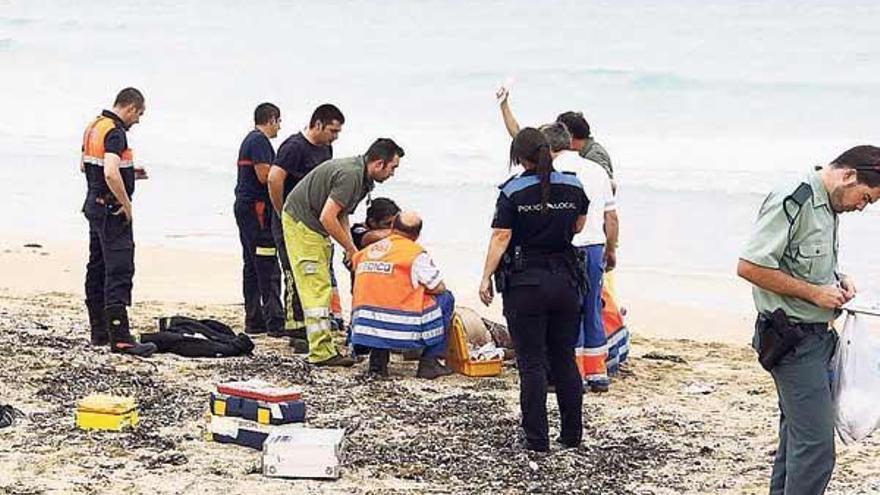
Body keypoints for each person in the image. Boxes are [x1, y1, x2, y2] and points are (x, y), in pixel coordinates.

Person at [737, 145, 880, 495]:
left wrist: (836, 279)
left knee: (796, 443)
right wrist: (815, 294)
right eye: (865, 198)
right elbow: (750, 266)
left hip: (817, 339)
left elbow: (798, 261)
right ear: (848, 176)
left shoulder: (829, 204)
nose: (861, 208)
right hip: (792, 341)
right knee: (816, 451)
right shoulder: (794, 198)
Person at [479, 128, 589, 452]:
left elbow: (501, 237)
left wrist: (485, 277)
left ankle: (537, 439)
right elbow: (578, 226)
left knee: (531, 363)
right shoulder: (573, 184)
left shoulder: (513, 191)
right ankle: (571, 435)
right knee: (564, 358)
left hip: (526, 280)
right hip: (566, 279)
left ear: (518, 156)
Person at [282, 138, 404, 367]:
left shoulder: (362, 178)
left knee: (322, 284)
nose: (392, 174)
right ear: (379, 163)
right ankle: (321, 352)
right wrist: (349, 247)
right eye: (392, 167)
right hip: (303, 224)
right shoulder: (351, 176)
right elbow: (327, 217)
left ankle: (324, 345)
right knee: (316, 288)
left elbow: (342, 214)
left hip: (314, 224)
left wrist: (351, 248)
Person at [540, 122, 620, 392]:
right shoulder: (597, 170)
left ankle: (572, 373)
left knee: (567, 312)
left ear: (549, 148)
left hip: (569, 247)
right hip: (595, 245)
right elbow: (611, 216)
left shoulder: (555, 172)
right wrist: (611, 249)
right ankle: (597, 373)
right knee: (592, 307)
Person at [80, 87, 156, 356]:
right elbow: (111, 173)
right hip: (112, 210)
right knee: (119, 269)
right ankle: (121, 338)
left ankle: (99, 331)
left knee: (97, 266)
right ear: (131, 108)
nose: (138, 121)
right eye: (140, 114)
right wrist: (126, 203)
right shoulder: (115, 131)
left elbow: (86, 166)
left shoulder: (94, 127)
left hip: (93, 204)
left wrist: (131, 174)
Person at [267, 104, 344, 345]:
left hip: (314, 220)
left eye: (338, 132)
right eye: (332, 131)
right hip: (291, 217)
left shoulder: (326, 148)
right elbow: (273, 178)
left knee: (317, 271)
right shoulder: (294, 147)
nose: (335, 137)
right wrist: (282, 212)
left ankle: (320, 320)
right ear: (318, 124)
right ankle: (296, 325)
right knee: (294, 269)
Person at [349, 211, 455, 379]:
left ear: (392, 227)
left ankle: (377, 363)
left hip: (364, 330)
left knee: (378, 295)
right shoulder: (415, 254)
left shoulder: (365, 252)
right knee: (446, 298)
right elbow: (438, 287)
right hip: (400, 329)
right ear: (417, 235)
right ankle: (429, 362)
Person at [234, 102, 284, 335]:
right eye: (279, 122)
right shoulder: (259, 142)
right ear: (271, 119)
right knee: (266, 263)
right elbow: (265, 176)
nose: (279, 128)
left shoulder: (251, 140)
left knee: (252, 264)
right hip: (257, 208)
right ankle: (274, 320)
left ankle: (254, 319)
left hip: (248, 207)